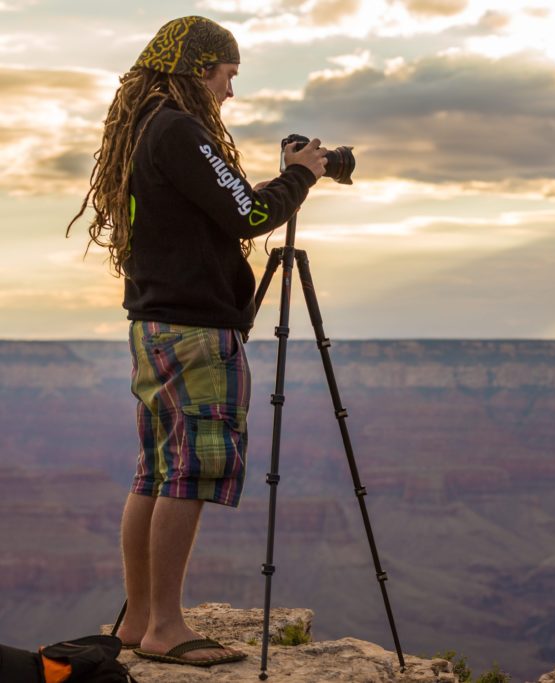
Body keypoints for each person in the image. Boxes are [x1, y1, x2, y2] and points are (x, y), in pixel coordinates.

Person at [66, 16, 328, 667]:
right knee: (188, 470)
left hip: (154, 322)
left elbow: (224, 204)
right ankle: (165, 627)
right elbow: (250, 213)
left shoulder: (146, 127)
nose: (230, 92)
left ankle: (138, 621)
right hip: (195, 329)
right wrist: (301, 174)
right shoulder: (180, 128)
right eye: (227, 75)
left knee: (156, 469)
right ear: (200, 67)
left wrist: (278, 179)